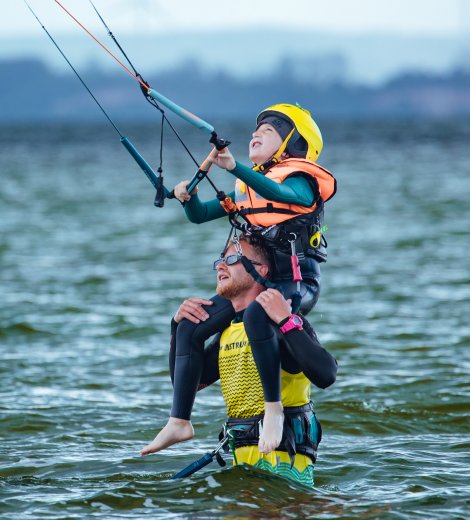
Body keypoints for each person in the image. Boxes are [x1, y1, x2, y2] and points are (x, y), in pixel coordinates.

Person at [142, 104, 336, 456]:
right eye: (255, 129)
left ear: (293, 144)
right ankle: (178, 421)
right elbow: (201, 215)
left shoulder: (301, 181)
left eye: (270, 130)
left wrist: (235, 167)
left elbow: (285, 197)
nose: (256, 134)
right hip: (261, 286)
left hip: (297, 281)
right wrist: (189, 198)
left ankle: (274, 409)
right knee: (189, 323)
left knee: (258, 315)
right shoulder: (249, 190)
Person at [145, 236, 337, 486]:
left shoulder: (280, 322)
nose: (220, 266)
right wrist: (177, 328)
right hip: (244, 473)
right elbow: (190, 383)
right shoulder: (229, 333)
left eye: (232, 259)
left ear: (261, 269)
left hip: (283, 478)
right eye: (220, 260)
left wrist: (285, 321)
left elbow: (327, 374)